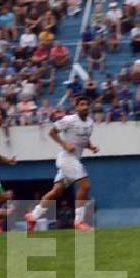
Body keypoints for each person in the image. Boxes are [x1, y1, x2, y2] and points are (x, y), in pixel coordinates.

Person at [25, 97, 100, 232]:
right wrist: (65, 145)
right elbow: (52, 132)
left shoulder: (90, 122)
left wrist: (92, 147)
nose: (85, 107)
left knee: (56, 191)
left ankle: (32, 216)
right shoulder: (69, 120)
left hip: (74, 160)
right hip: (66, 158)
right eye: (82, 104)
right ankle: (79, 221)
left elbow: (84, 139)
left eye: (87, 104)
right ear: (76, 107)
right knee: (85, 186)